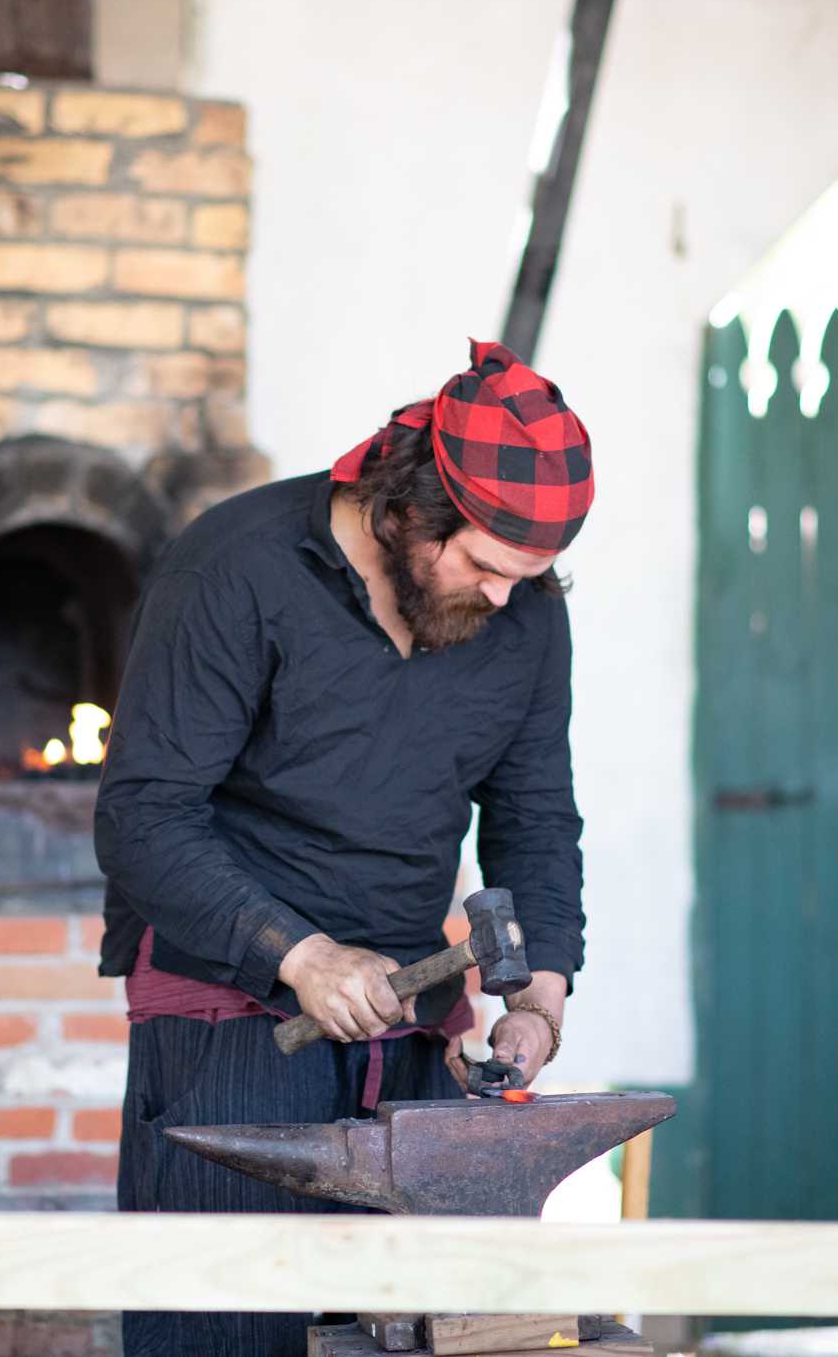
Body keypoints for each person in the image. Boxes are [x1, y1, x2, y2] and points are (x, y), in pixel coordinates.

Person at [93, 338, 593, 1357]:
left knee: (394, 1338)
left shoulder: (525, 617)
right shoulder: (238, 567)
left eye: (527, 577)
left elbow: (535, 817)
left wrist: (538, 999)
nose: (503, 599)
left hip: (410, 1029)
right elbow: (142, 815)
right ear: (408, 508)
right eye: (486, 568)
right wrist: (302, 956)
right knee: (221, 1334)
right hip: (233, 1018)